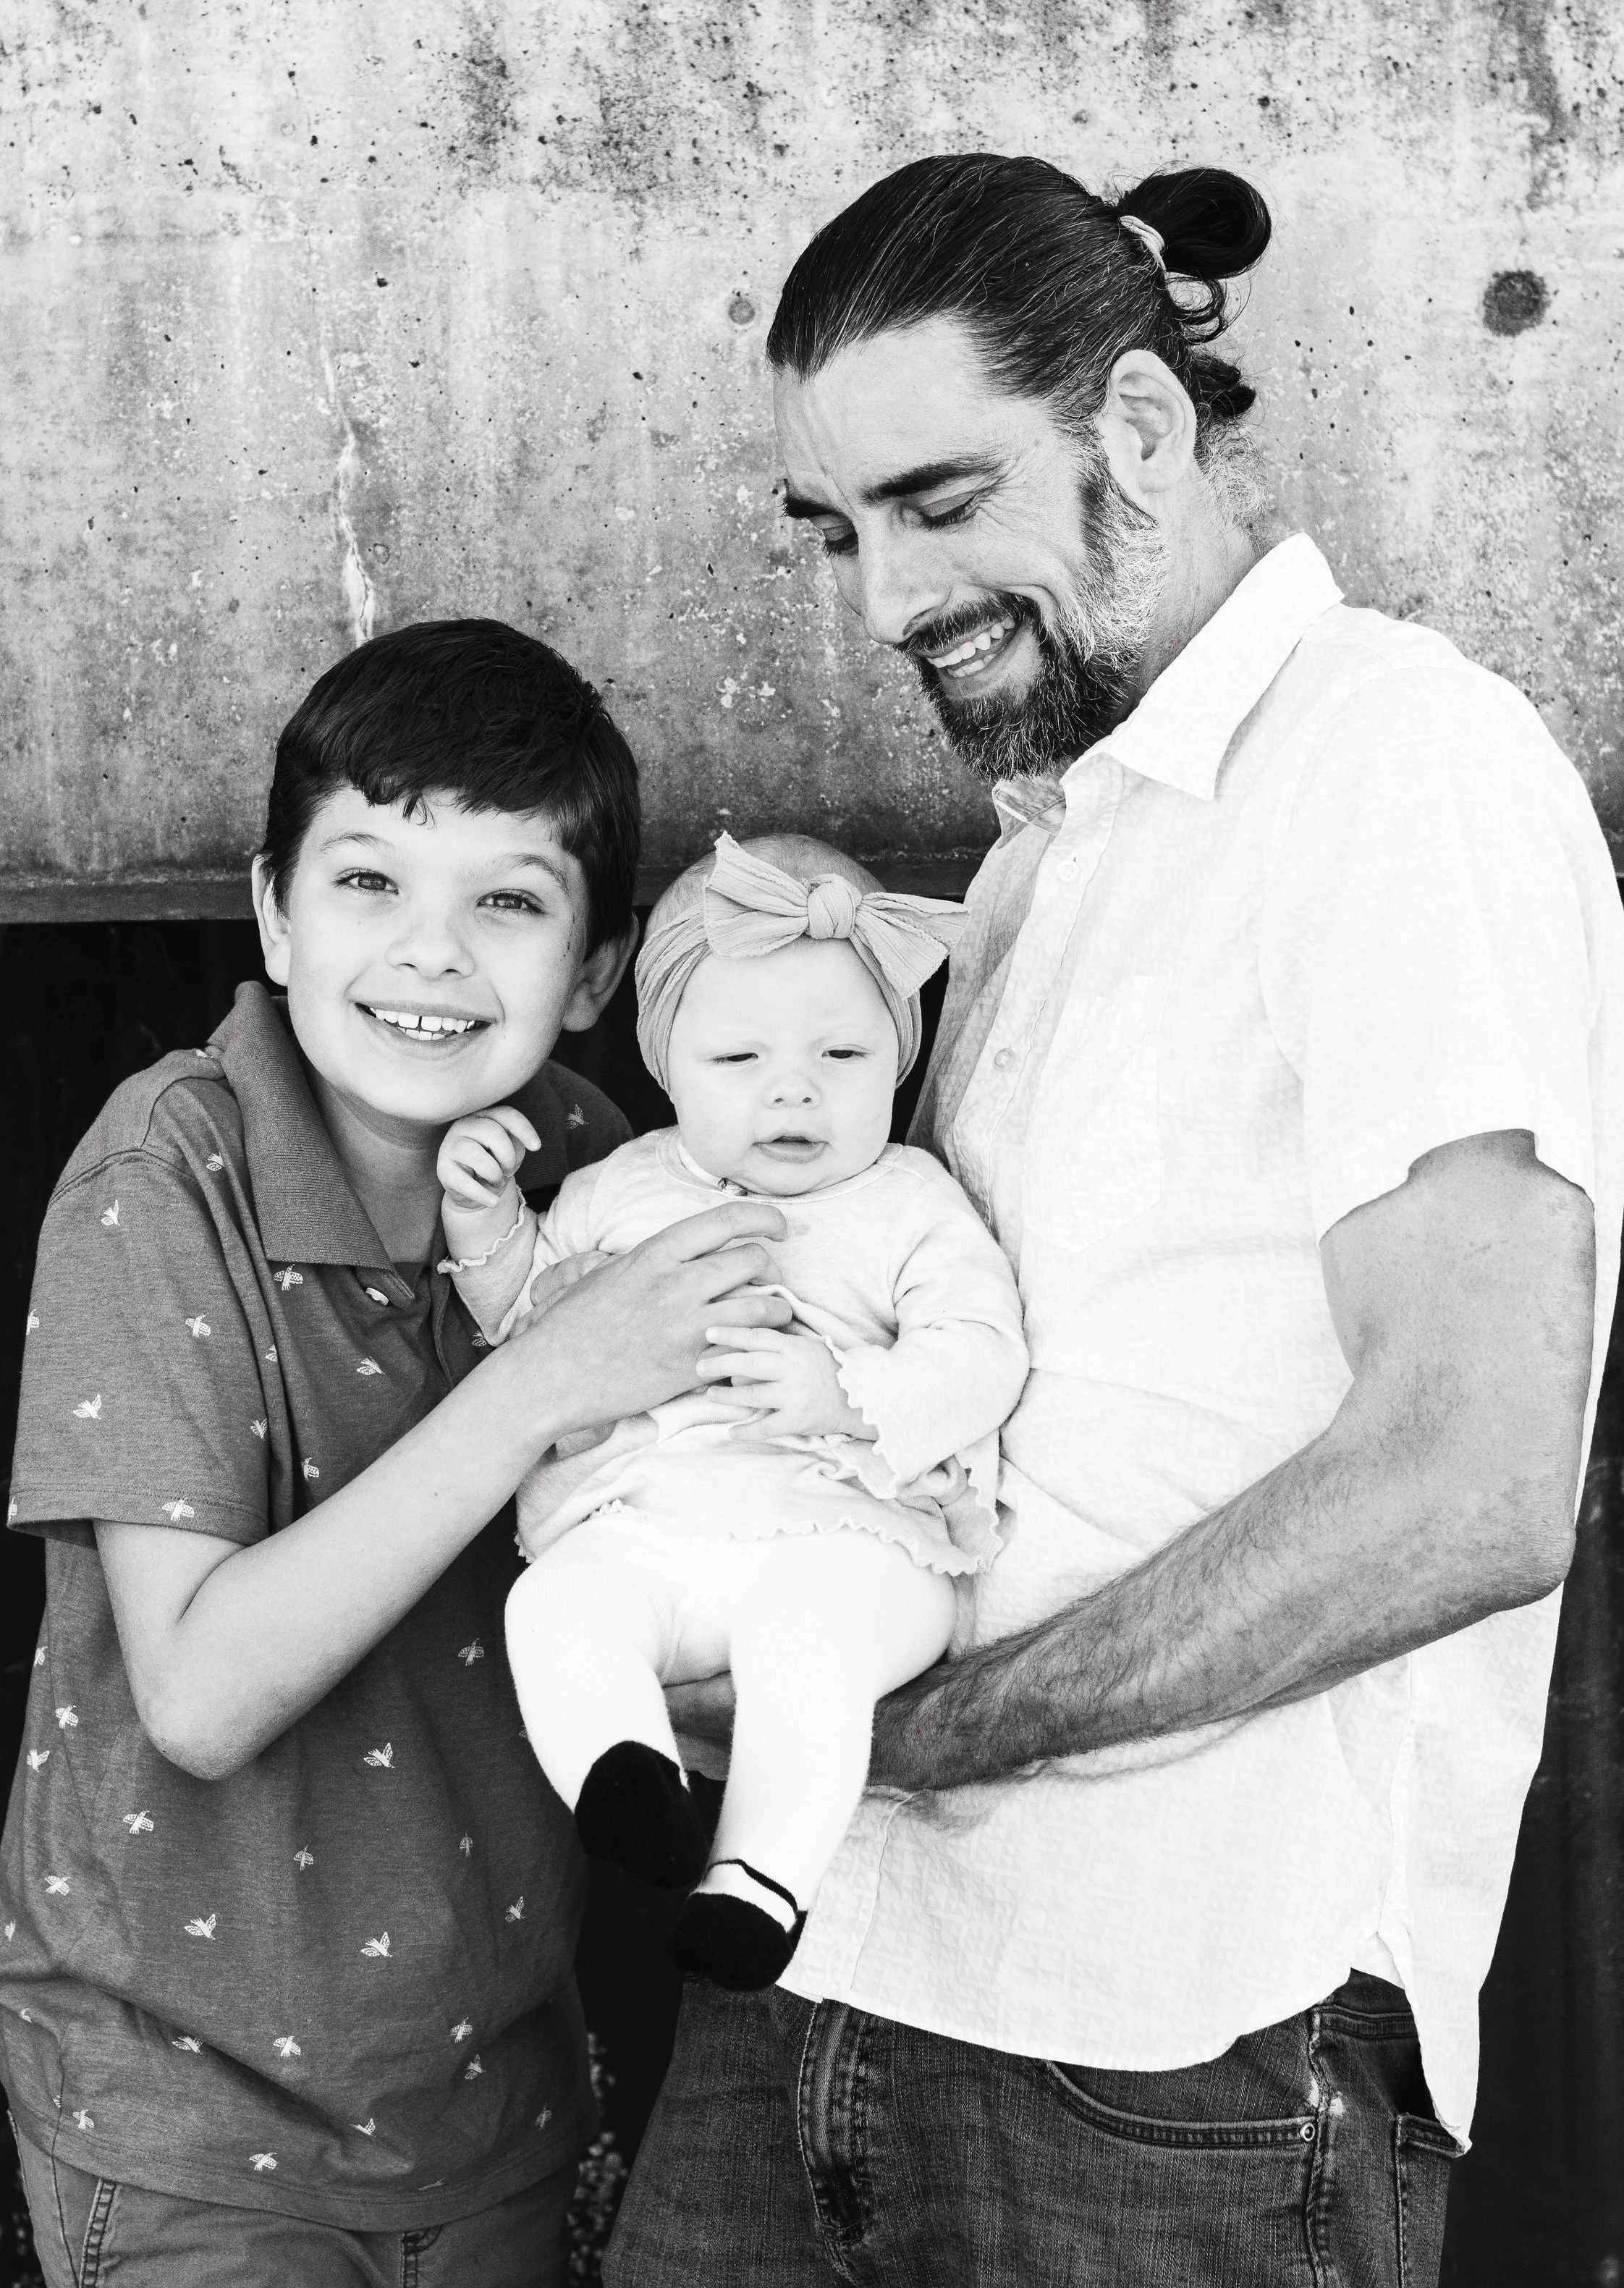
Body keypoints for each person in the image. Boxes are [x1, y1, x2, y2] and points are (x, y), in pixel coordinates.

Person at [606, 157, 1624, 2288]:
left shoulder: (1388, 763)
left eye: (936, 500)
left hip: (1176, 2048)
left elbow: (1472, 1480)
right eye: (841, 529)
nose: (880, 597)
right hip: (834, 1961)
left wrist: (920, 1734)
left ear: (1138, 435)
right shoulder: (1050, 853)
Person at [0, 619, 794, 2288]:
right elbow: (198, 1694)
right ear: (272, 910)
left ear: (591, 971)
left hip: (489, 2096)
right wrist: (540, 1380)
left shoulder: (606, 1174)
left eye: (504, 900)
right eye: (367, 882)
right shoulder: (166, 1174)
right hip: (190, 2118)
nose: (430, 957)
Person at [435, 832, 1027, 1993]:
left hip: (844, 1537)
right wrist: (486, 1225)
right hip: (647, 1527)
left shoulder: (909, 1201)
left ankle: (761, 1877)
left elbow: (981, 1356)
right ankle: (627, 1777)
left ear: (897, 1062)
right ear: (667, 1063)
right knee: (556, 1604)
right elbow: (530, 1328)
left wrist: (846, 1394)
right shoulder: (618, 1190)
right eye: (739, 1055)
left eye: (844, 1052)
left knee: (810, 1652)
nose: (792, 1088)